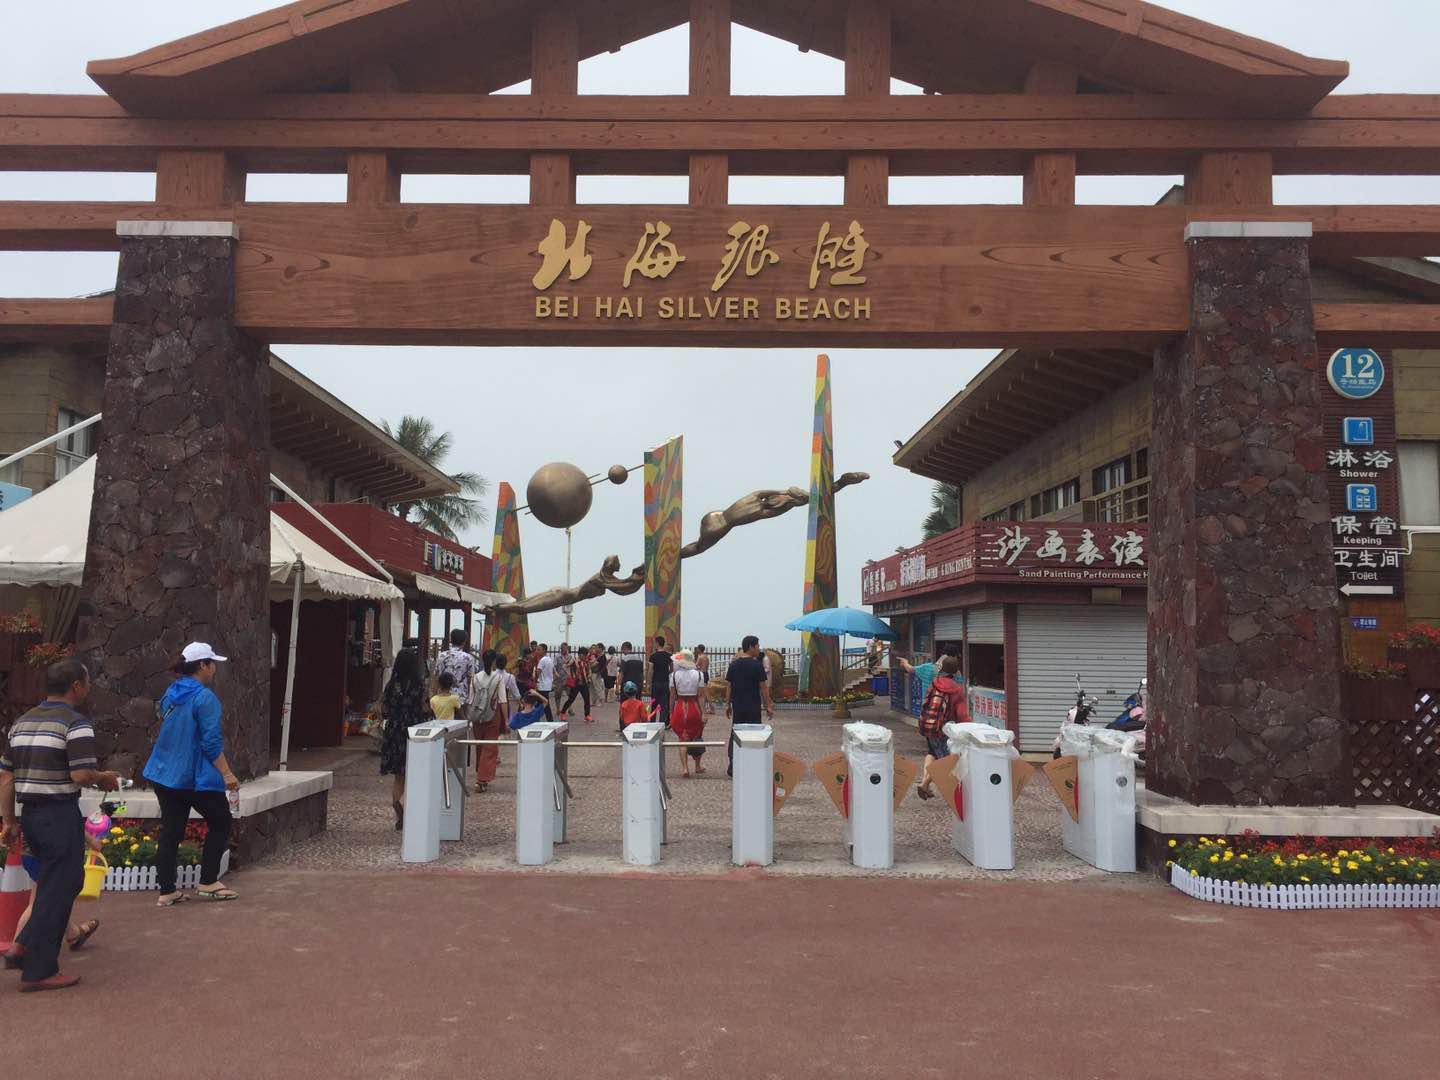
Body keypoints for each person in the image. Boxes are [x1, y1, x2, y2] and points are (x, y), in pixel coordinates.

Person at [0, 658, 120, 992]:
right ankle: (39, 971)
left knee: (54, 883)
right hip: (59, 813)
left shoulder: (21, 723)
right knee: (62, 885)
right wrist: (104, 778)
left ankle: (23, 943)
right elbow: (80, 774)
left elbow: (6, 777)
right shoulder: (75, 724)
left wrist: (9, 821)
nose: (89, 688)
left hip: (31, 814)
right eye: (88, 682)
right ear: (76, 686)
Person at [144, 642, 242, 907]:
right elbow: (211, 742)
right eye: (212, 663)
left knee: (171, 830)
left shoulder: (171, 692)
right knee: (221, 821)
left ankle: (167, 891)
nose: (214, 668)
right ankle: (208, 881)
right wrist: (227, 774)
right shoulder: (205, 698)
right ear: (202, 666)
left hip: (164, 772)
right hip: (193, 776)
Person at [379, 648, 431, 831]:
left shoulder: (391, 686)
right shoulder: (419, 687)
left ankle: (399, 810)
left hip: (394, 733)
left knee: (398, 776)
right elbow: (425, 711)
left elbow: (384, 711)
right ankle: (402, 804)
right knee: (413, 773)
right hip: (413, 732)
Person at [915, 655, 968, 801]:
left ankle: (925, 782)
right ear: (955, 671)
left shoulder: (934, 683)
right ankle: (925, 784)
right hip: (943, 729)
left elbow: (926, 702)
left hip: (928, 724)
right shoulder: (956, 689)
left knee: (932, 753)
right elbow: (962, 715)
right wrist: (969, 727)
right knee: (947, 761)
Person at [724, 636, 774, 778]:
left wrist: (728, 704)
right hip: (753, 706)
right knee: (753, 735)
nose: (759, 648)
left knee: (736, 734)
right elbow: (763, 687)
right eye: (757, 645)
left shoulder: (734, 665)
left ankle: (733, 765)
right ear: (751, 646)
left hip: (738, 706)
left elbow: (729, 686)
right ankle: (752, 764)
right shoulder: (757, 665)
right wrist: (768, 705)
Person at [469, 650, 507, 792]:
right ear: (494, 662)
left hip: (477, 715)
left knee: (479, 745)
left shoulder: (475, 677)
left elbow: (471, 699)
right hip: (493, 714)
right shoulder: (498, 678)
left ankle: (480, 773)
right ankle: (482, 778)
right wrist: (506, 720)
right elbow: (502, 700)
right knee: (489, 747)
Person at [668, 650, 707, 778]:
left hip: (680, 707)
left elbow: (672, 696)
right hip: (694, 707)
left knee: (682, 739)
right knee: (697, 737)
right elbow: (701, 696)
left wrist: (671, 712)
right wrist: (703, 713)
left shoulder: (674, 675)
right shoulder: (699, 675)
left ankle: (685, 767)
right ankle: (697, 765)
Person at [434, 628, 479, 724]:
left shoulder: (442, 656)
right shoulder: (468, 658)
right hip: (461, 697)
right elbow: (471, 679)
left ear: (451, 640)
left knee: (443, 724)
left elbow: (436, 676)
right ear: (464, 641)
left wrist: (434, 694)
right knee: (460, 725)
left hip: (443, 697)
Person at [559, 643, 593, 723]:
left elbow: (589, 669)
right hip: (576, 684)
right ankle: (563, 712)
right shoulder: (574, 660)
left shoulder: (586, 661)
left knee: (587, 700)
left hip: (584, 683)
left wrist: (589, 675)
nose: (585, 656)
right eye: (585, 655)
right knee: (571, 699)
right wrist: (569, 675)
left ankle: (587, 715)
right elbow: (564, 666)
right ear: (581, 654)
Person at [648, 635, 674, 726]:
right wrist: (666, 673)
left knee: (654, 703)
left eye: (654, 643)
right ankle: (662, 723)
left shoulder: (653, 656)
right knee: (664, 704)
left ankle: (652, 722)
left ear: (657, 643)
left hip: (656, 682)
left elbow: (650, 670)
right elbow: (671, 669)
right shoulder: (669, 656)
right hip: (665, 682)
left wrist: (648, 683)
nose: (654, 644)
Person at [535, 643, 557, 722]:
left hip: (542, 685)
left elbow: (538, 672)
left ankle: (549, 720)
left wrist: (535, 681)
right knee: (541, 703)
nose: (537, 651)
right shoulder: (549, 659)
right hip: (547, 684)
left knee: (544, 704)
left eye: (539, 649)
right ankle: (537, 719)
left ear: (544, 650)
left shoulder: (542, 660)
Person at [694, 644, 714, 715]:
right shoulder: (706, 657)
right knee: (704, 693)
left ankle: (712, 708)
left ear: (699, 649)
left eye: (697, 649)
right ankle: (705, 708)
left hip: (702, 674)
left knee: (705, 692)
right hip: (706, 674)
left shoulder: (700, 657)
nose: (696, 650)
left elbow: (696, 666)